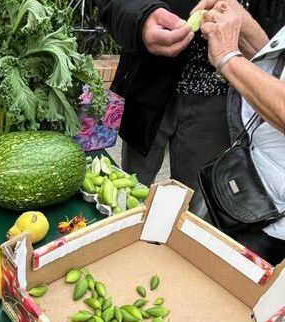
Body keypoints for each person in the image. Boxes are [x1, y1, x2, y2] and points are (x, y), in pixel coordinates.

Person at [93, 0, 248, 218]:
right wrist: (142, 18)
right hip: (148, 85)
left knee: (191, 208)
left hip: (218, 100)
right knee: (127, 191)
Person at [197, 0, 285, 265]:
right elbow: (275, 72)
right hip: (256, 193)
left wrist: (226, 56)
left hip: (274, 221)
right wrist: (243, 26)